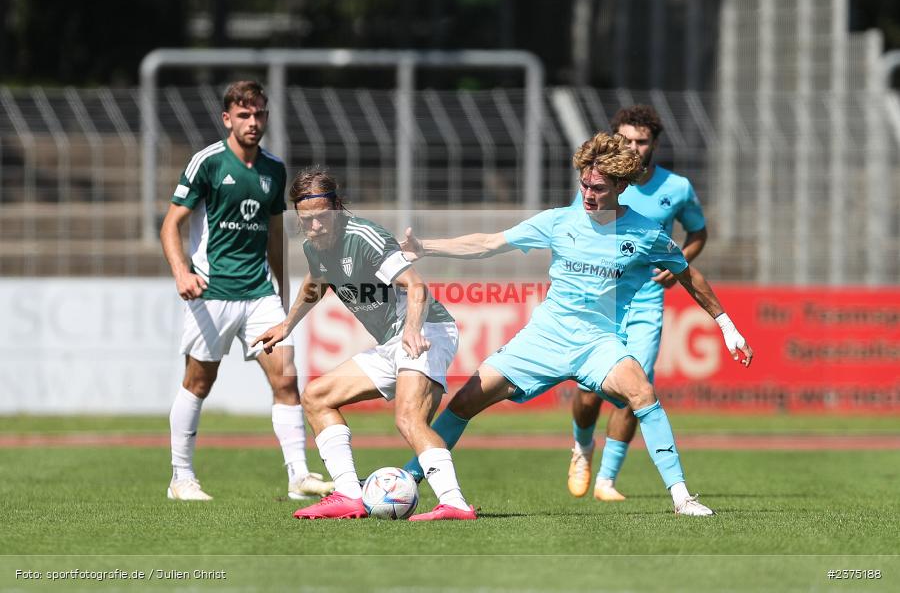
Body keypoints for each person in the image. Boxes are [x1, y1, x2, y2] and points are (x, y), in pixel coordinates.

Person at [399, 131, 753, 516]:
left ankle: (682, 497)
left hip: (597, 344)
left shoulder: (646, 233)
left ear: (621, 185)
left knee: (643, 394)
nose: (587, 194)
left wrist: (727, 326)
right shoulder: (559, 221)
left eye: (598, 188)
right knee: (465, 401)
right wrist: (426, 247)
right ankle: (404, 481)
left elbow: (689, 276)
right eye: (583, 184)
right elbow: (489, 243)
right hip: (544, 338)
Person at [253, 168, 475, 521]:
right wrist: (286, 324)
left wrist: (414, 330)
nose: (315, 227)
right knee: (316, 396)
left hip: (427, 330)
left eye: (323, 217)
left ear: (338, 209)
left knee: (408, 418)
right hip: (391, 341)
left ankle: (454, 503)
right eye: (306, 220)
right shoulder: (315, 247)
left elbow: (416, 287)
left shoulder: (365, 237)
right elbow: (315, 284)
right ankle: (348, 494)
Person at [160, 80, 333, 501]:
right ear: (227, 119)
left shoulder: (274, 169)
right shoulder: (208, 163)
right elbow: (170, 225)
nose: (252, 122)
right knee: (199, 382)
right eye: (244, 115)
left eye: (258, 114)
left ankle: (299, 476)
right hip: (212, 291)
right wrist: (182, 273)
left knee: (286, 380)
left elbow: (276, 234)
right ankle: (180, 478)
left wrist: (283, 290)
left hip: (260, 294)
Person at [567, 105, 709, 502]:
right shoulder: (598, 183)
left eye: (641, 141)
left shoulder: (677, 188)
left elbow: (698, 233)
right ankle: (581, 447)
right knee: (589, 391)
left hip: (646, 299)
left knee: (637, 386)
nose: (634, 146)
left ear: (654, 144)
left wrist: (681, 258)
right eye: (627, 139)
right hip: (600, 296)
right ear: (615, 140)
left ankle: (606, 481)